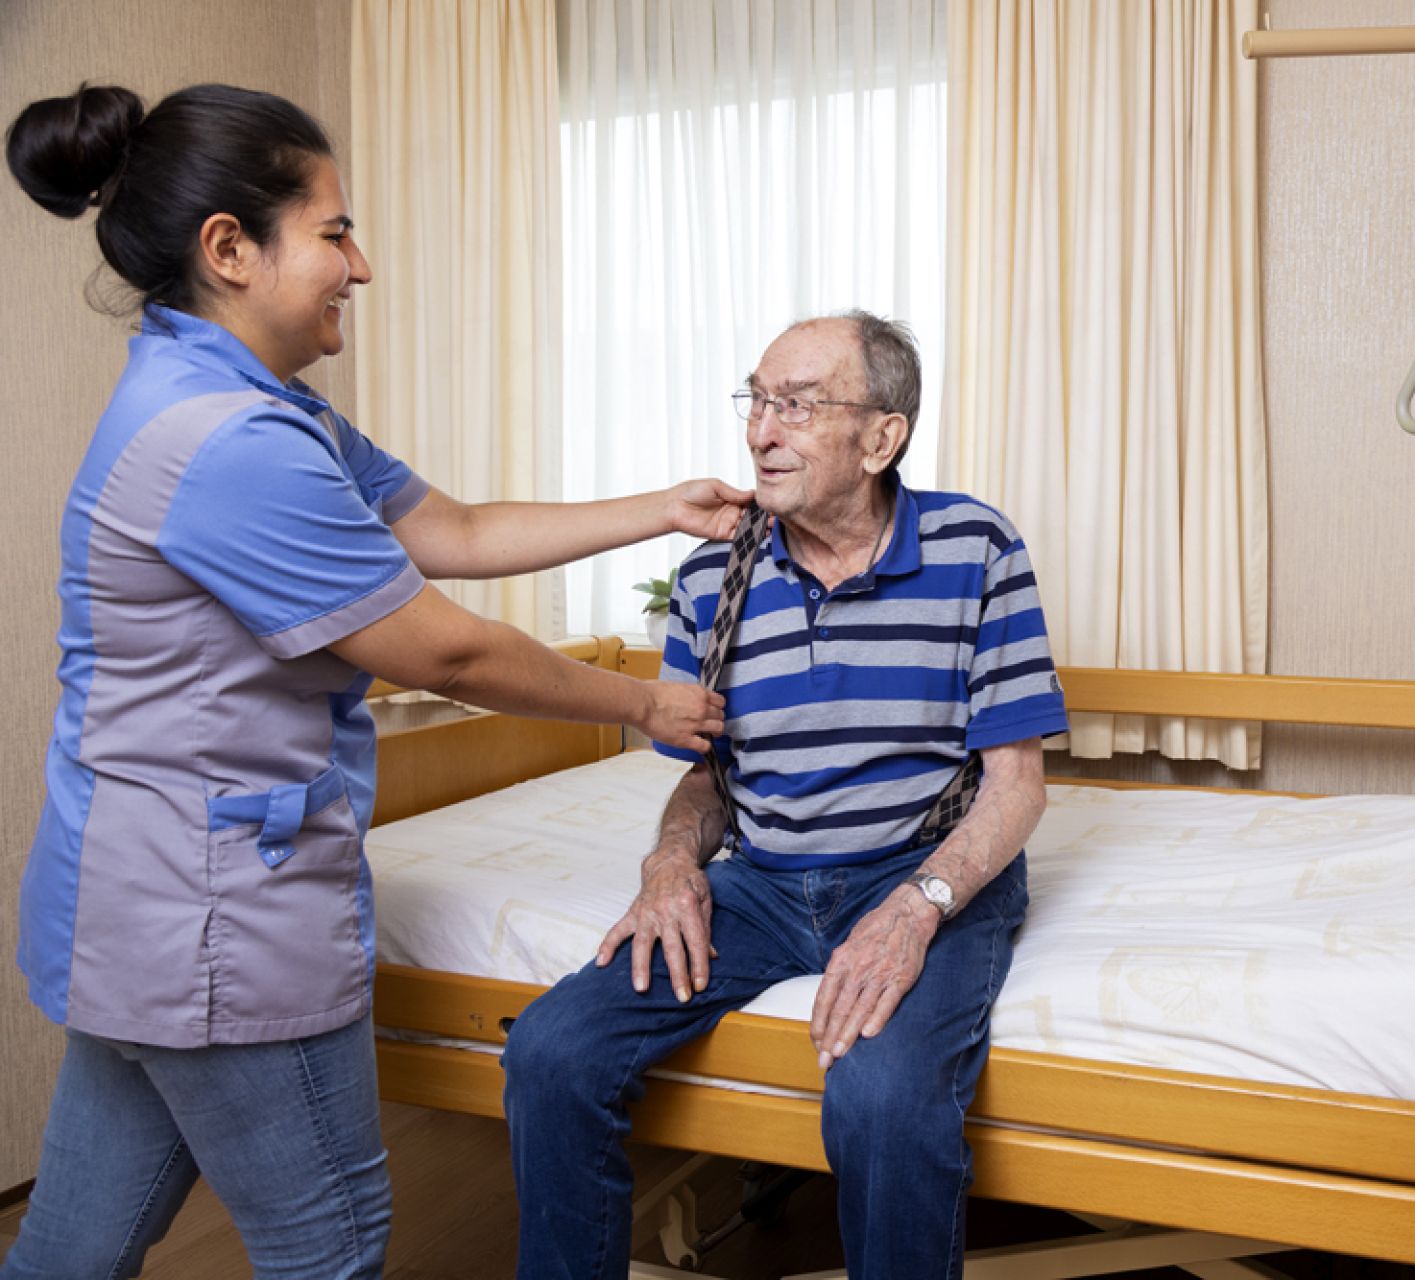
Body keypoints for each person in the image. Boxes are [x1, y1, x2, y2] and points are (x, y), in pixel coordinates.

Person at [1, 83, 747, 1279]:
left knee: (75, 1243)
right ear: (230, 249)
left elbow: (446, 524)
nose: (363, 263)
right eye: (336, 231)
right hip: (215, 923)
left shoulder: (254, 401)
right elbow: (441, 648)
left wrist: (659, 509)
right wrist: (644, 704)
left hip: (138, 908)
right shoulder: (230, 442)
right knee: (332, 1244)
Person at [503, 311, 1068, 1278]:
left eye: (798, 406)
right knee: (551, 1053)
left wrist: (916, 908)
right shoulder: (711, 574)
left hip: (918, 870)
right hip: (762, 883)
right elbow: (707, 776)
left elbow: (1016, 787)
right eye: (757, 401)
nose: (762, 430)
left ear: (882, 436)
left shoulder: (977, 548)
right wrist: (670, 862)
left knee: (882, 1102)